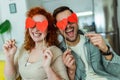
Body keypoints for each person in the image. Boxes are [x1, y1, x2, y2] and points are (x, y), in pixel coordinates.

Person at [53, 6, 120, 80]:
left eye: (70, 20)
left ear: (76, 21)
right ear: (58, 30)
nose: (68, 25)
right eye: (62, 23)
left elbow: (117, 71)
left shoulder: (95, 39)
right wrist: (71, 72)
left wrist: (106, 51)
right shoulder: (59, 53)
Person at [3, 7, 69, 80]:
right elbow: (10, 78)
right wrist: (9, 57)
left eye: (40, 25)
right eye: (32, 25)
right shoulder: (23, 48)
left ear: (49, 30)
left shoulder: (55, 52)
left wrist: (47, 68)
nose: (36, 29)